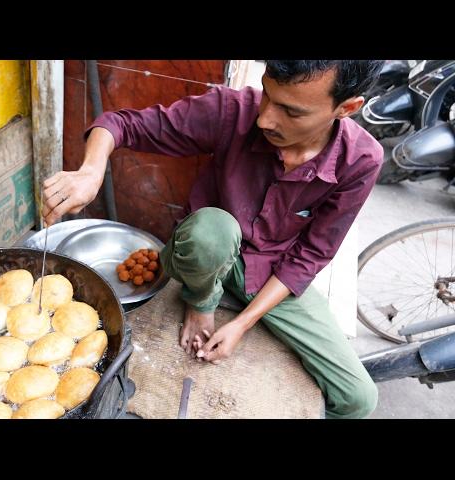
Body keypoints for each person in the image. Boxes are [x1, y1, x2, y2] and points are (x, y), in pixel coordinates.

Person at [42, 60, 385, 419]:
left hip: (273, 274)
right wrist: (90, 171)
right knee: (212, 231)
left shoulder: (360, 160)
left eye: (291, 112)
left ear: (345, 109)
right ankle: (201, 299)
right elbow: (120, 124)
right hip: (202, 255)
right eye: (268, 94)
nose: (266, 119)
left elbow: (310, 256)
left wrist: (242, 324)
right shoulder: (234, 112)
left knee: (358, 399)